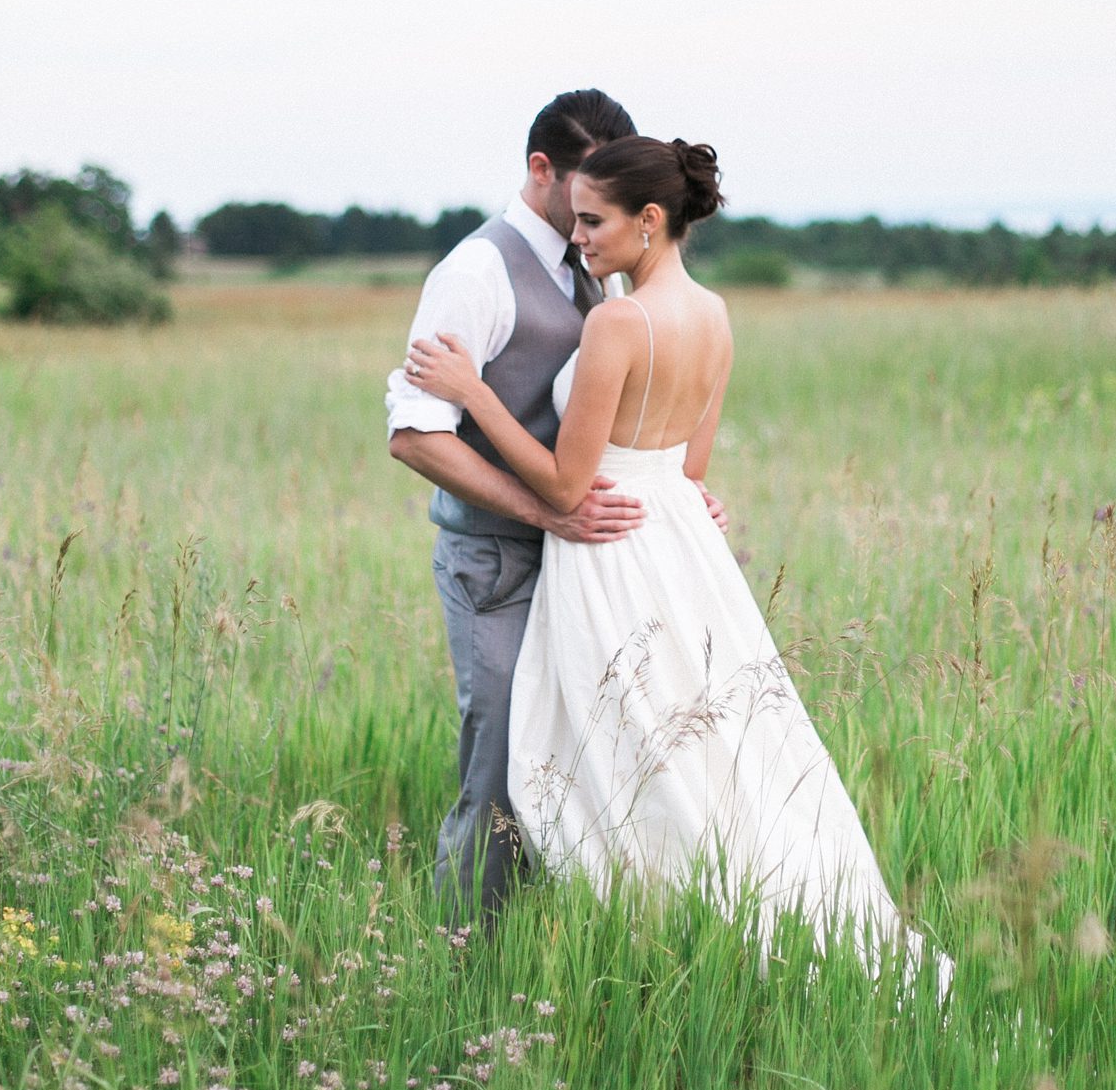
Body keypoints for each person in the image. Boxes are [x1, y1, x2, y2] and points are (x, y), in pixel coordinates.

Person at [404, 135, 953, 1002]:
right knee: (712, 748)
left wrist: (471, 394)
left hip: (609, 553)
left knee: (615, 754)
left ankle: (656, 929)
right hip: (680, 546)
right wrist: (678, 497)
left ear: (649, 222)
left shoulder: (617, 321)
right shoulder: (718, 314)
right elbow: (690, 470)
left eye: (593, 221)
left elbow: (565, 481)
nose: (578, 237)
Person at [387, 89, 725, 923]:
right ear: (541, 169)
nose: (583, 222)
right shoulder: (473, 271)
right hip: (499, 563)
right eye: (578, 192)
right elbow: (416, 435)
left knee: (595, 769)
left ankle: (557, 953)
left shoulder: (611, 280)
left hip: (600, 571)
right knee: (501, 774)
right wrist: (548, 514)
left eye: (600, 208)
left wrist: (677, 497)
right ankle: (465, 961)